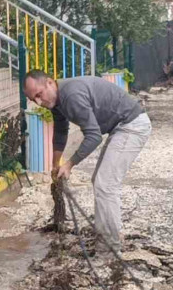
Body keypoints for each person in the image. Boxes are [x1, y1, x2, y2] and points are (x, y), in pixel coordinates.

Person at [23, 70, 151, 257]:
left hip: (132, 125)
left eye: (39, 95)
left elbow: (94, 136)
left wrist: (69, 164)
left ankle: (109, 249)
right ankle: (107, 238)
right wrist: (55, 164)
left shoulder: (72, 96)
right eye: (34, 99)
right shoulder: (56, 100)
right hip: (121, 126)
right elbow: (60, 131)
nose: (39, 102)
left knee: (105, 184)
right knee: (100, 182)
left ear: (50, 83)